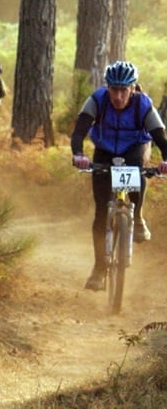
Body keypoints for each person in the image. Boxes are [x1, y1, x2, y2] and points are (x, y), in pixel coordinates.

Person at [70, 60, 167, 291]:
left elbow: (160, 136)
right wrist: (78, 154)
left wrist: (165, 160)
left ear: (133, 88)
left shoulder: (143, 104)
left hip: (134, 148)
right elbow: (79, 131)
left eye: (124, 90)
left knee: (138, 174)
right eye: (114, 89)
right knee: (101, 212)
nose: (119, 96)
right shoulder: (97, 100)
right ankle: (99, 269)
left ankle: (137, 217)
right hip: (104, 150)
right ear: (107, 87)